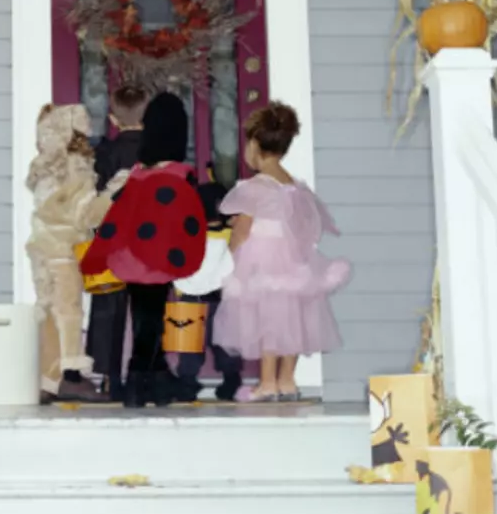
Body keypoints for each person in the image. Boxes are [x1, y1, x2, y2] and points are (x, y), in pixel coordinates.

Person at [213, 101, 351, 402]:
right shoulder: (296, 187)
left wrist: (230, 257)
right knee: (294, 317)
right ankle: (287, 380)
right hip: (295, 259)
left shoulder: (253, 187)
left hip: (260, 259)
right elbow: (307, 227)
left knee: (267, 321)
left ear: (254, 144)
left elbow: (242, 229)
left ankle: (267, 383)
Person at [80, 92, 208, 408]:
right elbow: (188, 221)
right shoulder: (180, 176)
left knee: (146, 317)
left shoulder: (138, 175)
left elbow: (120, 214)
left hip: (133, 258)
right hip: (159, 261)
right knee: (149, 322)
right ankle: (139, 380)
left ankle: (158, 378)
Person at [26, 103, 114, 403]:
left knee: (50, 312)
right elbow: (86, 216)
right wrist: (111, 193)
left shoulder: (44, 165)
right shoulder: (77, 166)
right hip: (64, 250)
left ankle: (48, 380)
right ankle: (71, 377)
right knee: (69, 313)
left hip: (41, 248)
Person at [86, 84, 150, 401]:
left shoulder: (106, 153)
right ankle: (144, 374)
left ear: (113, 118)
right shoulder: (158, 155)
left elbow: (98, 195)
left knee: (109, 305)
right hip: (147, 240)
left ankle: (108, 376)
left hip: (113, 238)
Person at [171, 165, 242, 402]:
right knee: (223, 341)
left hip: (189, 296)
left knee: (188, 344)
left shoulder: (186, 236)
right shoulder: (229, 236)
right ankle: (231, 381)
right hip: (220, 296)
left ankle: (187, 383)